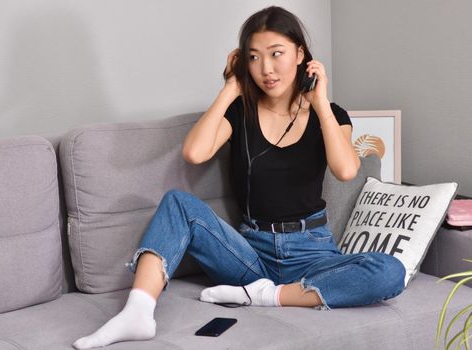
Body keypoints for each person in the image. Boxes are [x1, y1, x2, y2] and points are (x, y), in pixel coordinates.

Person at [72, 6, 406, 349]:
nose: (267, 68)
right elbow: (195, 153)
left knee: (389, 272)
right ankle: (137, 312)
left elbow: (346, 169)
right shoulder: (239, 110)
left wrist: (319, 102)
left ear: (300, 55)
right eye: (254, 57)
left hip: (312, 253)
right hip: (250, 254)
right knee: (178, 204)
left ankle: (266, 297)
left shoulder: (331, 115)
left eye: (277, 54)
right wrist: (230, 88)